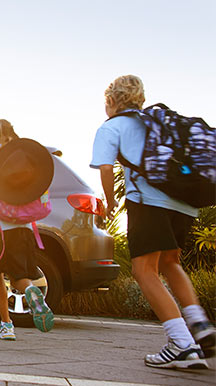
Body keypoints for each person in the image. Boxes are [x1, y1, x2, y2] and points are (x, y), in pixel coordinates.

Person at [90, 74, 215, 369]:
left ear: (110, 102)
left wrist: (109, 203)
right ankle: (199, 323)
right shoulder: (158, 122)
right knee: (170, 263)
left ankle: (182, 344)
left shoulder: (112, 127)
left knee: (144, 270)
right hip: (183, 204)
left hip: (148, 202)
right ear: (140, 100)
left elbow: (106, 168)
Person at [0, 119, 55, 340]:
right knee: (19, 276)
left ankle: (6, 324)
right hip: (22, 227)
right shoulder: (21, 158)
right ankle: (31, 292)